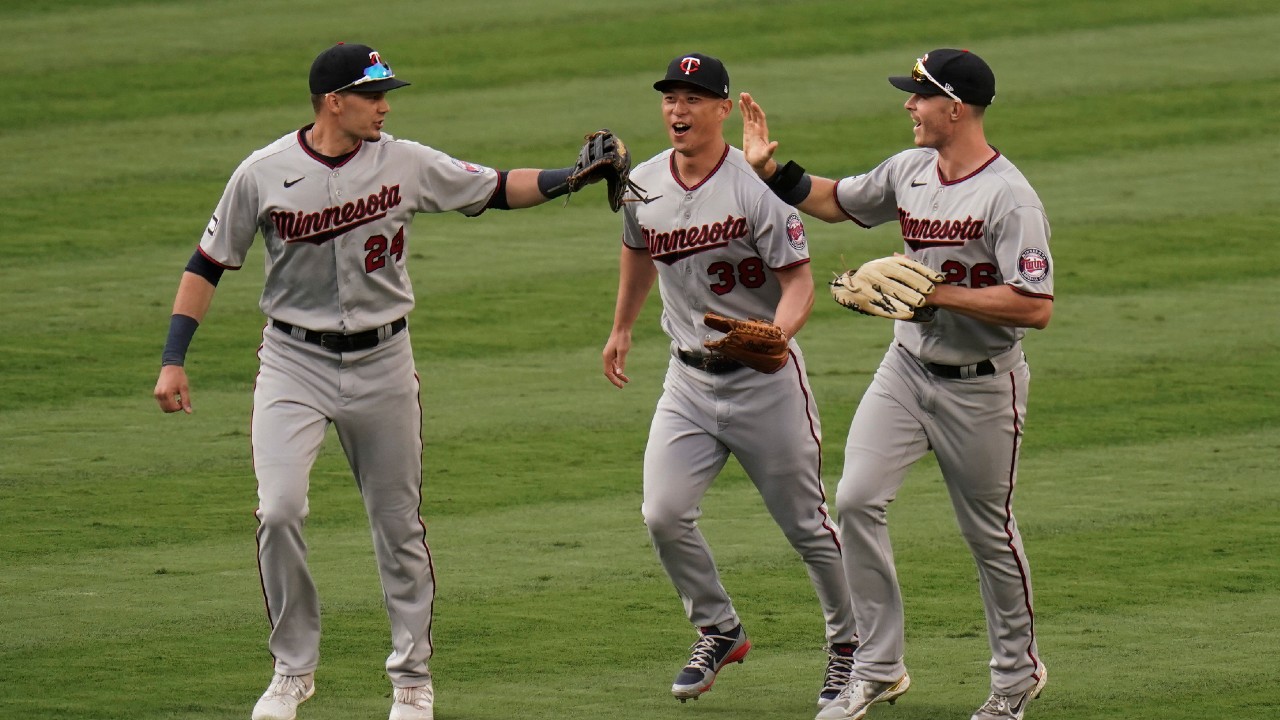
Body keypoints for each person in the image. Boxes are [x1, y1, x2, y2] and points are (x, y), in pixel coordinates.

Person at [153, 42, 613, 720]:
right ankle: (291, 671)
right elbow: (208, 261)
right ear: (333, 101)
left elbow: (491, 187)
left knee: (397, 526)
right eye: (372, 95)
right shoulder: (262, 172)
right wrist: (173, 358)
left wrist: (566, 180)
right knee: (278, 511)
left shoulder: (405, 160)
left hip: (383, 363)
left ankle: (412, 681)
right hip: (293, 363)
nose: (385, 105)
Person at [739, 49, 1053, 720]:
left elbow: (1036, 305)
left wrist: (941, 295)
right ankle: (878, 668)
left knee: (987, 534)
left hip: (983, 386)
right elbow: (832, 202)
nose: (908, 105)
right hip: (907, 369)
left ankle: (1015, 680)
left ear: (956, 109)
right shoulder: (909, 170)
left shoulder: (1009, 197)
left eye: (920, 96)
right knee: (854, 499)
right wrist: (770, 170)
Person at [601, 52, 859, 708]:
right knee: (662, 513)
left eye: (693, 98)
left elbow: (799, 279)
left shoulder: (753, 186)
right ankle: (719, 629)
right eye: (669, 98)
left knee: (806, 525)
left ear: (722, 109)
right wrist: (623, 325)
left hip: (763, 382)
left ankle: (850, 647)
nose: (677, 110)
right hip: (687, 382)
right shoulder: (644, 182)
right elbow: (638, 249)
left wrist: (780, 334)